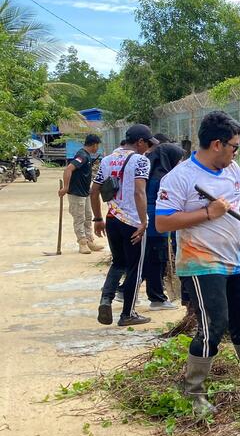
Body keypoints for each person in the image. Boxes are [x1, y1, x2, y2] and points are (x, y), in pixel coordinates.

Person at [155, 110, 240, 415]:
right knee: (214, 325)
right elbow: (162, 223)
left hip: (232, 258)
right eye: (234, 146)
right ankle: (193, 391)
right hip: (200, 263)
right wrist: (207, 213)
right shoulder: (181, 177)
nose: (236, 152)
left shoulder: (232, 169)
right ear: (216, 144)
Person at [90, 124, 158, 327]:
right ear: (139, 142)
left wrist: (97, 218)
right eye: (147, 144)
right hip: (132, 222)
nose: (148, 148)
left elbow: (94, 191)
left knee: (118, 263)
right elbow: (139, 192)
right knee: (135, 267)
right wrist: (144, 221)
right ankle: (127, 313)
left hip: (111, 219)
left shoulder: (108, 159)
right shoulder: (141, 161)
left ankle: (106, 299)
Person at [142, 138, 186, 310]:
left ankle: (155, 295)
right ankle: (157, 298)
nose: (180, 163)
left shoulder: (151, 171)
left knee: (152, 259)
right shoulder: (163, 177)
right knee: (156, 260)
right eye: (178, 159)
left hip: (149, 220)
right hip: (156, 223)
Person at [59, 133, 104, 254]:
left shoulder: (87, 156)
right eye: (97, 145)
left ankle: (89, 240)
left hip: (85, 193)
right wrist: (65, 187)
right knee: (79, 218)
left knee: (88, 217)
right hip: (76, 193)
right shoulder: (82, 156)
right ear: (94, 145)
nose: (97, 148)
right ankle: (82, 243)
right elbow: (68, 169)